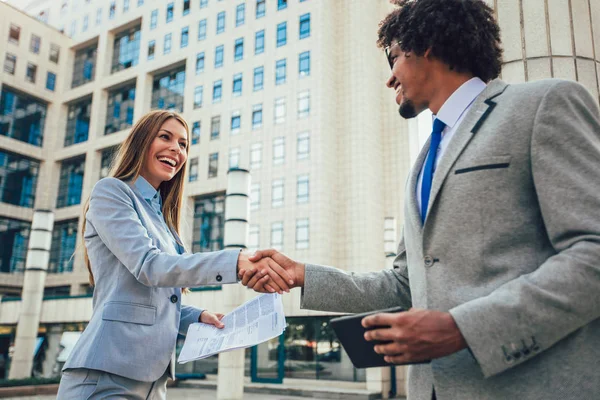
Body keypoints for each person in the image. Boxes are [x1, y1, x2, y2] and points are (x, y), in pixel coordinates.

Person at [240, 0, 600, 399]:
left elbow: (593, 252)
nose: (390, 79)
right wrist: (302, 275)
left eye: (393, 59)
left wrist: (464, 329)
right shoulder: (425, 160)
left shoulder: (545, 104)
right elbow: (406, 283)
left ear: (425, 45)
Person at [57, 110, 291, 399]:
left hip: (154, 384)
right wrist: (235, 261)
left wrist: (199, 316)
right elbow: (149, 266)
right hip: (107, 375)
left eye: (183, 144)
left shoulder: (166, 224)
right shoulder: (111, 192)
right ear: (141, 142)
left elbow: (157, 302)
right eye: (165, 137)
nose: (175, 149)